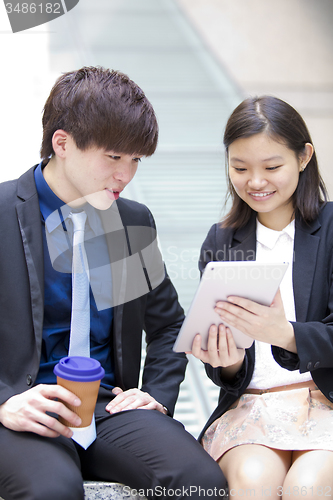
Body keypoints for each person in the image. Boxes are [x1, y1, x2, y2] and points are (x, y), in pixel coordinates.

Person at [0, 66, 226, 500]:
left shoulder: (127, 221)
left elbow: (168, 326)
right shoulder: (5, 213)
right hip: (27, 406)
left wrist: (156, 395)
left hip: (109, 406)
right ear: (62, 144)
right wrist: (4, 401)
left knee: (202, 484)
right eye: (113, 157)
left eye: (135, 160)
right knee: (53, 491)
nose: (126, 175)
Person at [191, 96, 333, 498]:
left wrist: (284, 334)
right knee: (254, 484)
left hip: (326, 402)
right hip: (252, 408)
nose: (255, 181)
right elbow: (228, 373)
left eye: (272, 167)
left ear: (304, 157)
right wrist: (226, 358)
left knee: (307, 487)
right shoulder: (221, 241)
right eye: (240, 168)